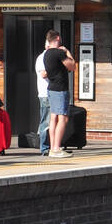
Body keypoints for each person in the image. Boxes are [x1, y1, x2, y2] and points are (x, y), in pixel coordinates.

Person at [42, 30, 76, 158]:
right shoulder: (59, 52)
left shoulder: (46, 54)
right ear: (57, 38)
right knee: (63, 118)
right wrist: (67, 52)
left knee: (53, 118)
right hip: (60, 89)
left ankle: (52, 147)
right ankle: (56, 148)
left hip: (51, 88)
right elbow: (72, 66)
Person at [35, 39, 50, 156]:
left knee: (53, 120)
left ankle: (53, 145)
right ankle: (44, 147)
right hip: (45, 93)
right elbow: (43, 74)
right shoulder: (42, 58)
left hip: (54, 92)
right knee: (45, 120)